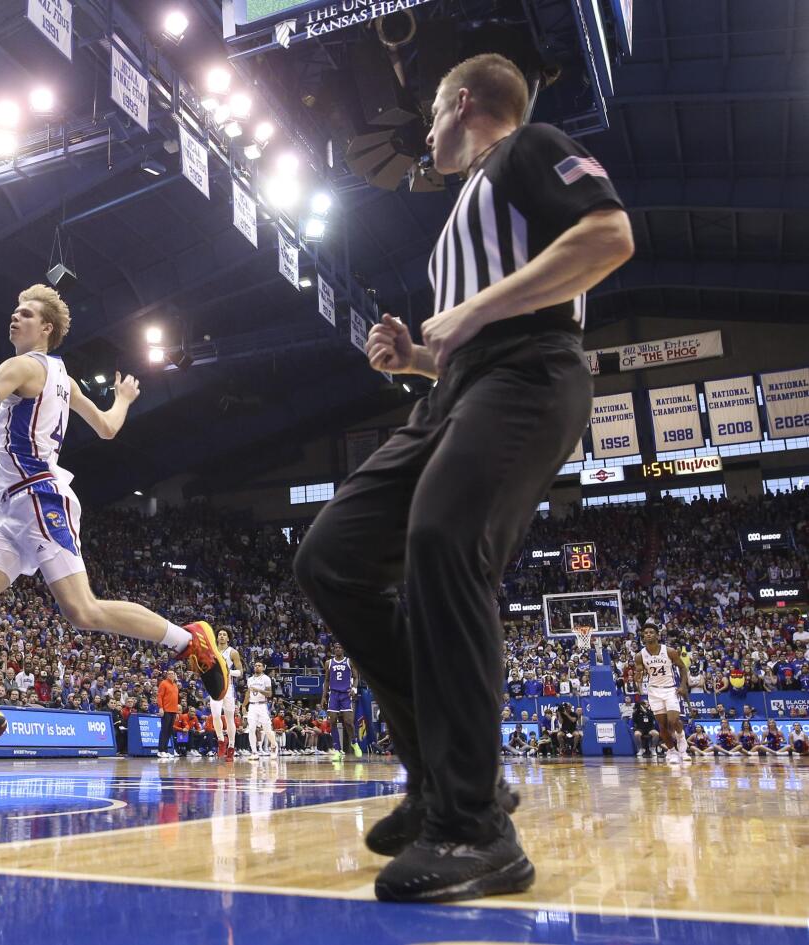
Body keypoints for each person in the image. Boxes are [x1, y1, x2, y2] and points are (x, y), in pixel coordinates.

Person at [292, 53, 633, 901]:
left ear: (466, 101)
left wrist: (473, 314)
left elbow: (609, 236)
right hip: (459, 390)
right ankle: (442, 779)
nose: (426, 128)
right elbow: (462, 348)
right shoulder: (461, 219)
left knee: (444, 540)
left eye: (434, 110)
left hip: (533, 373)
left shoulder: (526, 148)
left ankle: (476, 827)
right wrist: (416, 359)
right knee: (331, 555)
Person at [0, 285, 227, 760]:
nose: (13, 319)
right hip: (11, 510)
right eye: (14, 311)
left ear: (46, 329)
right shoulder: (66, 378)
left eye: (24, 314)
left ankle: (191, 641)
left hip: (39, 497)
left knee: (83, 610)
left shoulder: (21, 366)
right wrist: (122, 397)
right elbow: (107, 427)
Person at [635, 622, 689, 763]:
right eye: (646, 633)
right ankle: (672, 751)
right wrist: (638, 676)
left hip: (670, 689)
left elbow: (683, 668)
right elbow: (639, 672)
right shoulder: (640, 655)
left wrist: (683, 685)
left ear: (657, 635)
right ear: (643, 636)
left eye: (651, 632)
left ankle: (681, 737)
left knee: (673, 720)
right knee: (663, 726)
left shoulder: (670, 651)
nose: (648, 634)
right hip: (653, 691)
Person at [208, 629, 245, 762]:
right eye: (220, 634)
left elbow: (240, 672)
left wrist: (228, 671)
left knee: (230, 719)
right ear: (217, 638)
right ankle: (221, 740)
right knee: (216, 715)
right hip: (214, 687)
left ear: (228, 638)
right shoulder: (211, 650)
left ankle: (231, 746)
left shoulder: (233, 652)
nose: (222, 636)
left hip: (228, 687)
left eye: (224, 635)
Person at [323, 642, 360, 758]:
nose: (338, 649)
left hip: (346, 694)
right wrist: (324, 696)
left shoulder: (349, 661)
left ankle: (354, 743)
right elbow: (327, 680)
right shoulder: (328, 663)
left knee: (348, 722)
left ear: (343, 650)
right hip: (333, 694)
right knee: (332, 721)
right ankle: (337, 750)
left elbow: (356, 677)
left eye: (340, 647)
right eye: (336, 648)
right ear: (333, 650)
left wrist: (354, 688)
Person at [244, 661, 276, 757]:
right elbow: (248, 693)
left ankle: (274, 745)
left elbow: (269, 694)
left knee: (267, 729)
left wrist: (258, 690)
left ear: (263, 668)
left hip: (262, 706)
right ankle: (254, 751)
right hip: (252, 706)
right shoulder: (249, 679)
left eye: (259, 666)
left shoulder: (266, 678)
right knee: (251, 728)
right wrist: (243, 706)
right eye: (256, 666)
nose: (257, 667)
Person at [156, 669, 180, 759]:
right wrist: (161, 707)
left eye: (172, 674)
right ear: (166, 675)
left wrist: (177, 711)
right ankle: (160, 750)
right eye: (168, 674)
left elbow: (176, 699)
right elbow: (159, 696)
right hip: (166, 710)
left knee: (169, 731)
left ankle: (165, 750)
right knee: (164, 730)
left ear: (174, 675)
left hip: (173, 711)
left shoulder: (175, 685)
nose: (170, 675)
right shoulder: (163, 683)